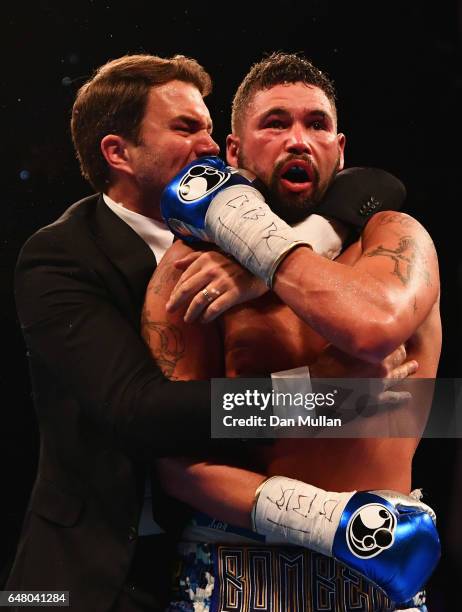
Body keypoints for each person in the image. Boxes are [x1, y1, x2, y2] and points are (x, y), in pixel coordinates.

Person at [7, 52, 410, 612]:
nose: (209, 147)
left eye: (208, 127)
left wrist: (301, 242)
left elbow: (376, 184)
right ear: (119, 153)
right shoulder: (60, 257)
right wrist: (322, 395)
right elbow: (138, 411)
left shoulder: (242, 233)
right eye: (185, 128)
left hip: (213, 553)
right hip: (91, 569)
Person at [147, 53, 441, 611]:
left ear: (340, 149)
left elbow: (372, 326)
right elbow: (175, 458)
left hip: (382, 560)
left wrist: (261, 264)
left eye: (317, 124)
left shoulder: (395, 237)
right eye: (275, 123)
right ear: (233, 151)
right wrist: (325, 396)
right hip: (236, 569)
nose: (298, 139)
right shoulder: (191, 270)